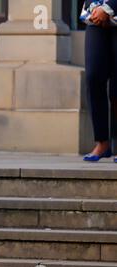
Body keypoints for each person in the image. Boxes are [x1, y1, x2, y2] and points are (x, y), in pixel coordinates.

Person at [83, 0, 117, 161]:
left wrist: (109, 8)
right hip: (95, 21)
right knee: (93, 77)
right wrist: (95, 8)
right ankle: (102, 143)